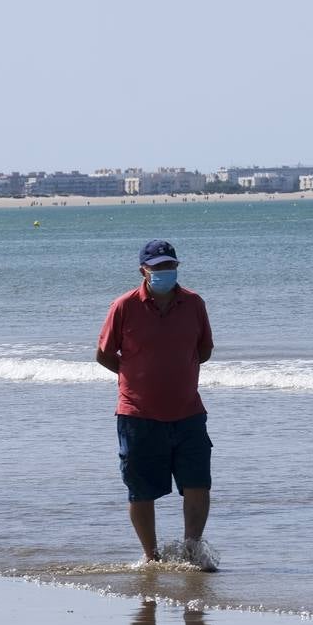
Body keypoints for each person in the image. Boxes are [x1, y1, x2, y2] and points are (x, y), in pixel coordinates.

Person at [96, 239, 216, 570]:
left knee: (197, 483)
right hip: (138, 414)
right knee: (140, 488)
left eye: (170, 266)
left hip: (189, 411)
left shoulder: (193, 303)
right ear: (143, 271)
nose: (165, 272)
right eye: (158, 267)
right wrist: (135, 375)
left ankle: (192, 550)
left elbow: (204, 350)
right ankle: (152, 556)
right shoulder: (123, 306)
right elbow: (104, 354)